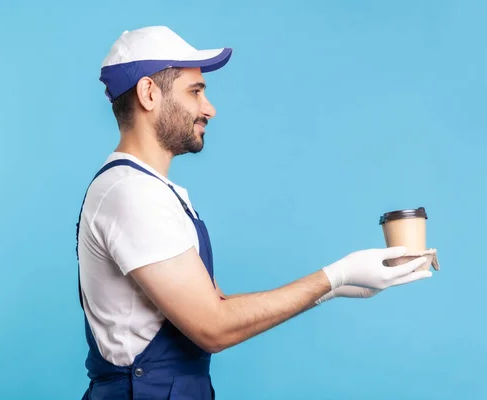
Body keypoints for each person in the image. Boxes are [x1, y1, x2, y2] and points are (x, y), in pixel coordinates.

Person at [75, 25, 434, 400]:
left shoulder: (156, 192)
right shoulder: (131, 194)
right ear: (149, 93)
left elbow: (219, 306)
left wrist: (338, 289)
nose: (209, 108)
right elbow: (213, 327)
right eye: (195, 91)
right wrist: (335, 275)